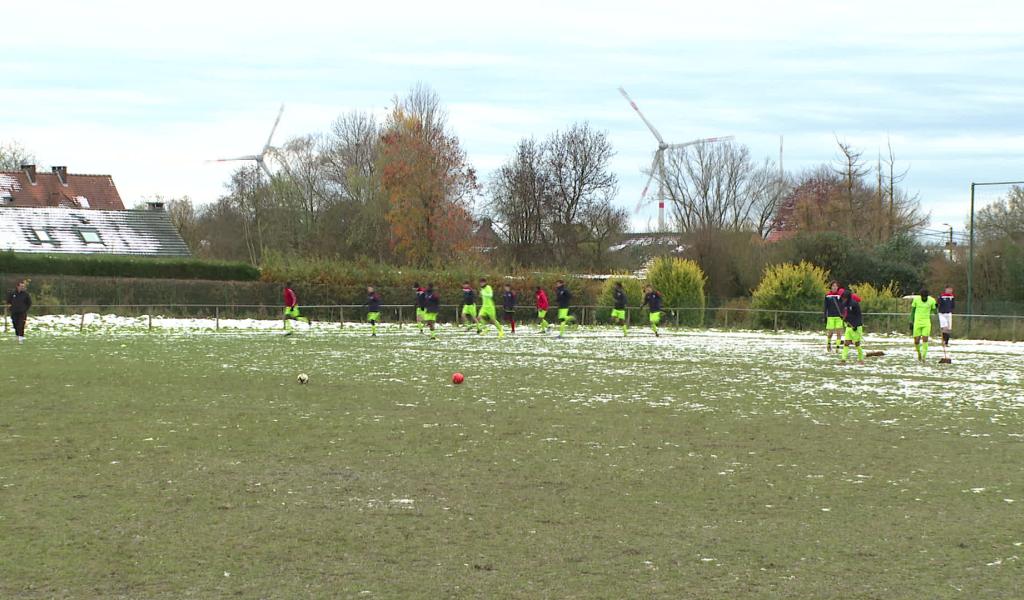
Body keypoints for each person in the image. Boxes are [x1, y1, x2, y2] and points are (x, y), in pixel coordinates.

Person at [910, 288, 937, 362]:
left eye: (925, 297)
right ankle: (919, 353)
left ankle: (924, 357)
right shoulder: (916, 300)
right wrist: (911, 321)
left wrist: (936, 306)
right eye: (922, 297)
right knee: (916, 341)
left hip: (926, 323)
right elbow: (912, 311)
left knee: (925, 339)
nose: (924, 298)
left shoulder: (931, 300)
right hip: (917, 322)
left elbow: (935, 312)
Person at [840, 288, 864, 364]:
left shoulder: (854, 304)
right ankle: (843, 360)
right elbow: (847, 315)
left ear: (848, 297)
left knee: (857, 344)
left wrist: (856, 325)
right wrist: (843, 318)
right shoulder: (844, 304)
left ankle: (861, 360)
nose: (843, 299)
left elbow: (858, 316)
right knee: (846, 343)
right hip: (849, 327)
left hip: (856, 327)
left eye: (844, 298)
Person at [6, 279, 31, 344]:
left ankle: (21, 339)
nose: (22, 287)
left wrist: (25, 309)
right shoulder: (12, 293)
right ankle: (17, 335)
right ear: (18, 286)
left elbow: (29, 303)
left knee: (21, 325)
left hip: (22, 313)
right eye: (21, 286)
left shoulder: (26, 294)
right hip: (14, 312)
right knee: (15, 324)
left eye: (23, 286)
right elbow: (8, 301)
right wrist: (9, 307)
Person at [824, 281, 844, 353]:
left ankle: (837, 348)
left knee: (839, 333)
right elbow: (825, 307)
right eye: (833, 286)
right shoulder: (827, 296)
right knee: (830, 333)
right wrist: (825, 317)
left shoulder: (840, 296)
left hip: (839, 317)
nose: (835, 287)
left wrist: (843, 314)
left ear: (837, 287)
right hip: (830, 317)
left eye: (836, 286)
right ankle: (828, 345)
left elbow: (843, 306)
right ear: (831, 287)